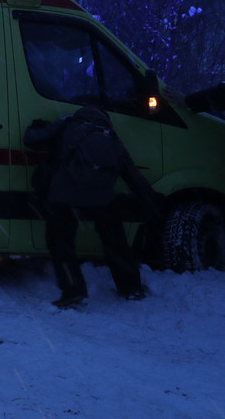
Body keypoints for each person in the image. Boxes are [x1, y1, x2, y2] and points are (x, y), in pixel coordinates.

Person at [24, 105, 156, 309]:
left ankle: (73, 292)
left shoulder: (69, 123)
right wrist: (152, 203)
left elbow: (33, 140)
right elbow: (134, 177)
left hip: (65, 194)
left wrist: (37, 126)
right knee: (115, 240)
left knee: (61, 242)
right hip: (101, 197)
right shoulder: (111, 137)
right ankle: (131, 289)